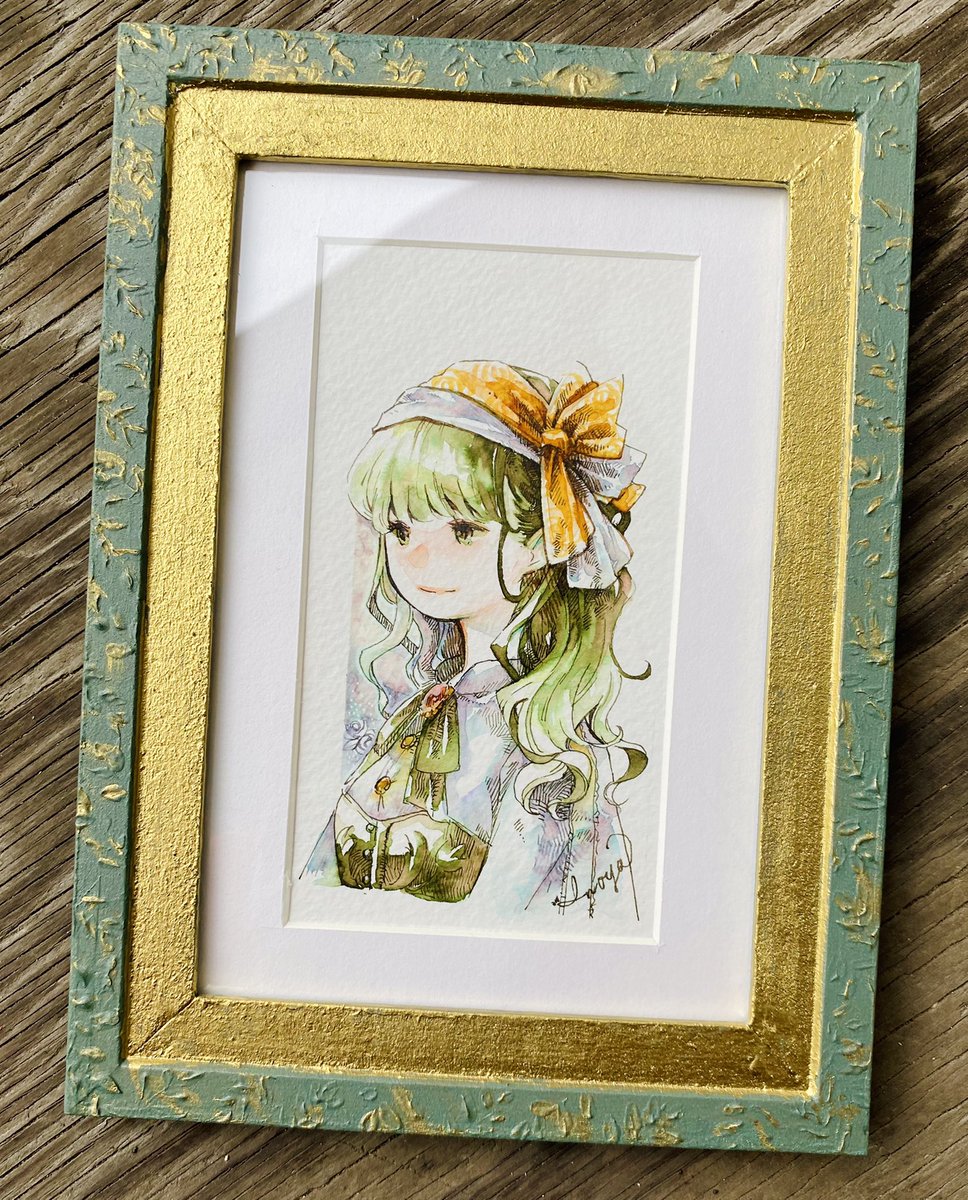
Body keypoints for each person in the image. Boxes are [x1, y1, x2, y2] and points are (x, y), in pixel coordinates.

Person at [303, 359, 649, 921]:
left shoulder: (543, 739)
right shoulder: (422, 704)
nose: (417, 558)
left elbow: (525, 922)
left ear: (542, 542)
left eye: (462, 531)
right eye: (400, 530)